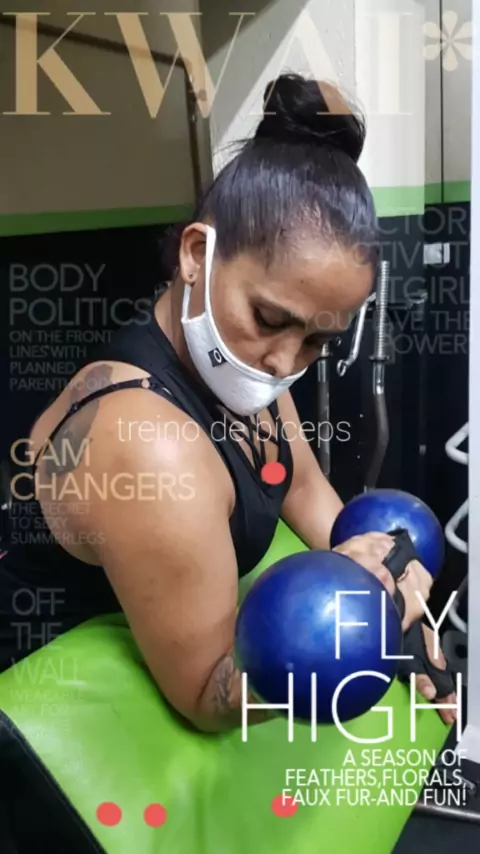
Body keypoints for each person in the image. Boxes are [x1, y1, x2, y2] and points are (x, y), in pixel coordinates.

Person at [0, 74, 455, 732]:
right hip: (35, 738)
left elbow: (306, 489)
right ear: (195, 255)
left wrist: (389, 575)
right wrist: (362, 627)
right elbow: (211, 695)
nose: (285, 364)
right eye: (269, 318)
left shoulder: (243, 375)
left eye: (318, 340)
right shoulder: (147, 443)